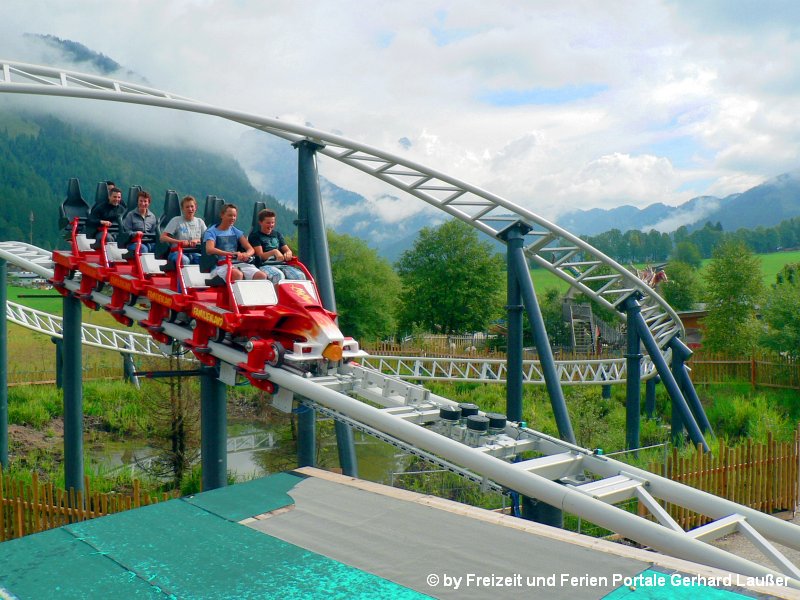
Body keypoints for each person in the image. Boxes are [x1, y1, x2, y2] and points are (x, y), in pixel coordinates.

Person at [203, 203, 265, 281]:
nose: (233, 218)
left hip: (237, 263)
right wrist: (230, 254)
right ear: (222, 215)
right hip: (220, 266)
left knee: (261, 275)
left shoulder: (236, 231)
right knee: (238, 274)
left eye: (234, 216)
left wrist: (246, 254)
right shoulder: (211, 232)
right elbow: (210, 249)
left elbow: (251, 249)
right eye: (230, 215)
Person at [248, 209, 305, 282]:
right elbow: (260, 256)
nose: (271, 225)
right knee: (278, 275)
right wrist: (274, 252)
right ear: (260, 222)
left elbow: (287, 250)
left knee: (299, 275)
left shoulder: (277, 234)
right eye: (268, 223)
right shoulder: (255, 236)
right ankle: (277, 293)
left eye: (272, 223)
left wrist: (288, 254)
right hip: (265, 264)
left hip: (281, 264)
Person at [160, 195, 207, 265]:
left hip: (194, 252)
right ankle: (181, 276)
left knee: (203, 261)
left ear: (195, 207)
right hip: (177, 252)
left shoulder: (200, 222)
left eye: (192, 206)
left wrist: (197, 240)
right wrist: (179, 242)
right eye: (187, 207)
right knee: (185, 260)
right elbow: (162, 238)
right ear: (182, 209)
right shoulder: (176, 220)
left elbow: (208, 239)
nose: (190, 209)